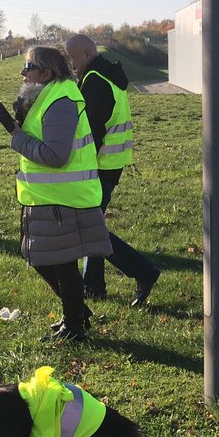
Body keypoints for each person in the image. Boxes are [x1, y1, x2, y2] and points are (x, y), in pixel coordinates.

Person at [8, 46, 111, 342]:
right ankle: (76, 313)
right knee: (41, 256)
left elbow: (56, 155)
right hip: (46, 196)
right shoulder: (49, 96)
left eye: (28, 66)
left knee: (61, 263)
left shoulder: (61, 101)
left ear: (46, 73)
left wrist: (18, 140)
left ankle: (75, 323)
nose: (22, 72)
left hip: (62, 198)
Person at [64, 33, 161, 307]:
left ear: (85, 53)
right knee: (92, 225)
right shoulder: (106, 74)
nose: (70, 63)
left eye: (71, 57)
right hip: (111, 163)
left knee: (89, 228)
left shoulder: (95, 81)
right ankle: (93, 286)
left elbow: (92, 131)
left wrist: (76, 167)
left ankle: (144, 272)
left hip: (98, 166)